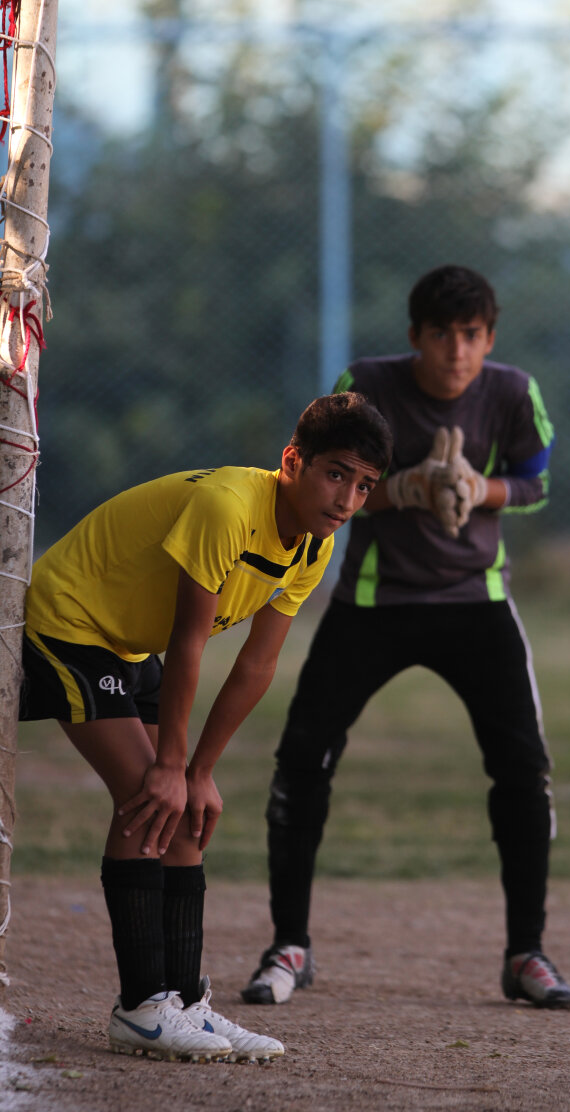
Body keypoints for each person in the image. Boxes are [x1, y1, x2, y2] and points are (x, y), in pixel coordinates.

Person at [241, 264, 570, 1012]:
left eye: (472, 335)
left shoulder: (513, 392)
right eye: (441, 334)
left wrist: (478, 489)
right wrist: (405, 488)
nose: (457, 351)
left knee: (523, 769)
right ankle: (289, 944)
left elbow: (538, 482)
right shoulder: (365, 386)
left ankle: (527, 952)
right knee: (301, 759)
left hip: (476, 600)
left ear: (490, 338)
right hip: (374, 598)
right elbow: (317, 484)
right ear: (414, 336)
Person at [19, 392, 392, 1062]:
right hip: (69, 619)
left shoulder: (314, 546)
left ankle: (186, 1002)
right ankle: (142, 1010)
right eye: (336, 473)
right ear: (293, 462)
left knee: (188, 814)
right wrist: (169, 766)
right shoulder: (228, 508)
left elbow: (256, 663)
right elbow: (189, 641)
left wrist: (200, 772)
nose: (346, 498)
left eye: (364, 485)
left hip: (128, 644)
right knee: (147, 796)